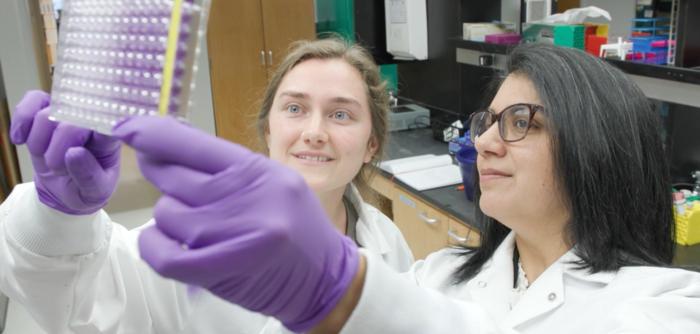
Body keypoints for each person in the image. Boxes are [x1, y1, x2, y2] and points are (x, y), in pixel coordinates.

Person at [114, 43, 700, 333]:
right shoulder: (436, 274)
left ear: (597, 143)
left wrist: (345, 294)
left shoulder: (670, 305)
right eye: (488, 122)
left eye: (520, 122)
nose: (486, 143)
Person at [0, 38, 413, 333]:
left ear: (370, 145)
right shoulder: (196, 236)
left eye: (341, 115)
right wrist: (59, 216)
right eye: (294, 108)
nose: (314, 131)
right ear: (269, 130)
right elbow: (89, 307)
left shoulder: (385, 242)